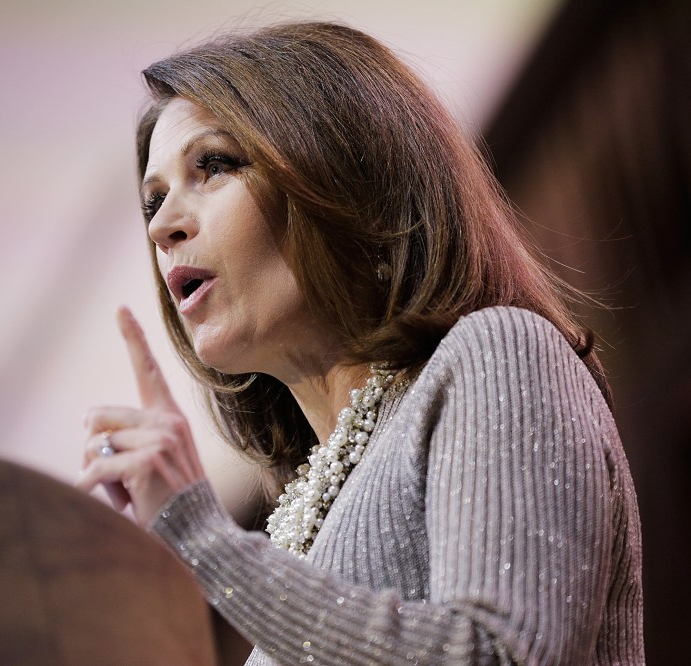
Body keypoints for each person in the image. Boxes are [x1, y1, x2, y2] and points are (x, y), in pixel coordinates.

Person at [77, 21, 644, 665]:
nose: (163, 226)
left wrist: (206, 540)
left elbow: (499, 656)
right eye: (153, 201)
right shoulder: (296, 539)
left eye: (214, 166)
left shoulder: (499, 354)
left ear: (342, 177)